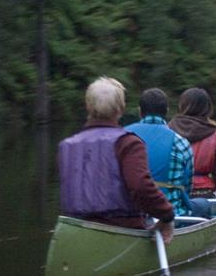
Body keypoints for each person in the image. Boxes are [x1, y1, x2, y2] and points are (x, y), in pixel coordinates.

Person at [58, 77, 174, 243]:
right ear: (121, 109)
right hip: (123, 228)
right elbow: (141, 187)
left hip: (76, 231)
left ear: (88, 107)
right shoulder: (128, 143)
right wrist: (167, 215)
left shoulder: (67, 145)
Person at [126, 88, 215, 219]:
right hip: (172, 217)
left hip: (131, 215)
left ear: (140, 111)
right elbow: (186, 188)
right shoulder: (181, 143)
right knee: (204, 204)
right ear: (167, 111)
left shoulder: (122, 136)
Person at [168, 87, 216, 198]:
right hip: (204, 193)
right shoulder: (214, 134)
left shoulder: (169, 128)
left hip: (175, 190)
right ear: (207, 108)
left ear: (182, 105)